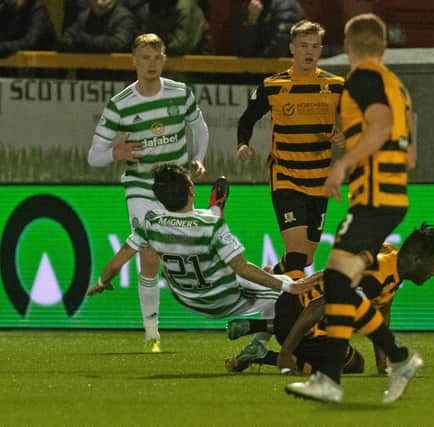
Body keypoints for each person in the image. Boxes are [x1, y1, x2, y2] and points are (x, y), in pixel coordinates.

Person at [284, 13, 420, 404]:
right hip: (392, 196)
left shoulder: (362, 79)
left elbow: (379, 128)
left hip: (374, 197)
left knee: (338, 282)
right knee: (342, 283)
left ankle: (399, 357)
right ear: (382, 45)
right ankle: (331, 378)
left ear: (347, 46)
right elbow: (409, 151)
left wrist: (342, 164)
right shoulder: (399, 86)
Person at [87, 164, 315, 339]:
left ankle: (257, 341)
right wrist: (287, 284)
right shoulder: (210, 224)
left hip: (188, 300)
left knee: (266, 279)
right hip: (224, 298)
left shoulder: (151, 222)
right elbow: (242, 268)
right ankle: (258, 336)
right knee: (294, 299)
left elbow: (118, 261)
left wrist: (102, 281)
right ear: (191, 189)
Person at [87, 33, 209, 352]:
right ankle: (152, 333)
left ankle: (106, 281)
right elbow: (93, 155)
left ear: (164, 59)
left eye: (157, 57)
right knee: (151, 253)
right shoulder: (120, 104)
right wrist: (116, 153)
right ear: (134, 61)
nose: (151, 63)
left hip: (177, 182)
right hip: (141, 184)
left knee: (187, 248)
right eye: (145, 57)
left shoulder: (180, 93)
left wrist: (199, 157)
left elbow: (199, 127)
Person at [226, 223, 434, 375]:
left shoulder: (392, 259)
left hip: (295, 307)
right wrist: (286, 352)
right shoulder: (377, 276)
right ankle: (265, 355)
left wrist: (383, 366)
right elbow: (321, 305)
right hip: (300, 313)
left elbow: (382, 313)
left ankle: (259, 326)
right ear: (415, 258)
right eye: (433, 264)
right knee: (350, 365)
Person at [236, 20, 344, 283]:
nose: (310, 52)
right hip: (286, 175)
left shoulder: (337, 85)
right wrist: (243, 143)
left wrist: (345, 134)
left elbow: (356, 122)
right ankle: (288, 321)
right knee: (297, 256)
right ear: (292, 49)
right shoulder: (273, 85)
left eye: (315, 46)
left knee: (305, 259)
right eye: (304, 46)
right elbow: (247, 118)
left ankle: (270, 277)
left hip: (320, 179)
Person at [57, 0, 137, 53]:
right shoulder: (85, 16)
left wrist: (82, 40)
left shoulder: (124, 17)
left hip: (116, 75)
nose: (99, 3)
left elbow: (117, 44)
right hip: (88, 75)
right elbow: (65, 39)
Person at [237, 0, 304, 57]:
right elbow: (243, 52)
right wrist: (252, 21)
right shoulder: (254, 6)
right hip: (258, 68)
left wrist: (256, 63)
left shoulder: (287, 6)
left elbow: (279, 49)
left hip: (283, 69)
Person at [142, 0, 209, 56]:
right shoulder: (156, 6)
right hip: (165, 62)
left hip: (192, 64)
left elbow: (180, 46)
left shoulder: (184, 6)